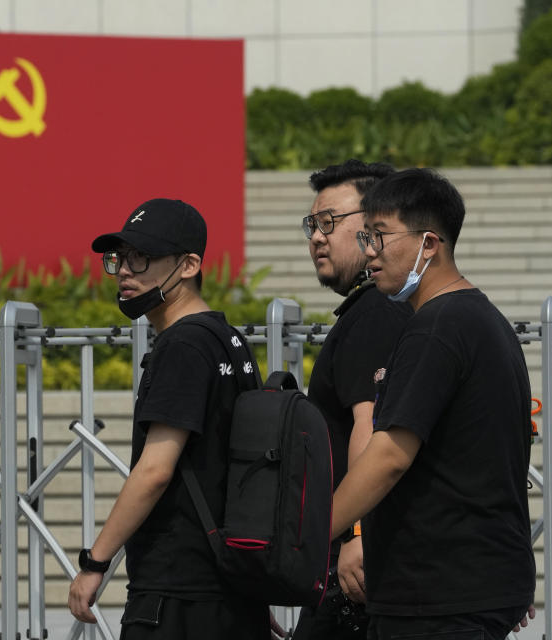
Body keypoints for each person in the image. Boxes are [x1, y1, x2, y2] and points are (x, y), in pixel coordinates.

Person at [329, 168, 536, 639]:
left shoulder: (436, 328)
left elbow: (388, 456)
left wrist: (309, 536)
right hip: (472, 583)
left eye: (380, 236)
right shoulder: (483, 320)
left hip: (439, 594)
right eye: (366, 235)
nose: (369, 251)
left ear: (429, 243)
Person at [67, 198, 273, 639]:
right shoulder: (229, 340)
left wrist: (95, 563)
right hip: (231, 584)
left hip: (178, 590)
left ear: (188, 265)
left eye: (141, 258)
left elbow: (155, 471)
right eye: (119, 258)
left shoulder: (182, 346)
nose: (125, 270)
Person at [291, 160, 411, 640]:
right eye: (311, 225)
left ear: (377, 224)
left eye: (329, 223)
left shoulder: (375, 313)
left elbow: (372, 426)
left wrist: (356, 535)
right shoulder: (379, 308)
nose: (317, 237)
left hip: (357, 564)